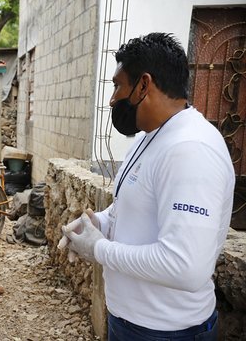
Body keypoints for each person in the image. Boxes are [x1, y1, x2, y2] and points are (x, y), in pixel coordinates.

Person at [58, 33, 235, 340]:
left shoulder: (190, 149)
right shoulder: (147, 138)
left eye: (117, 85)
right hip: (128, 322)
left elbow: (185, 267)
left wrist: (98, 248)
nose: (113, 98)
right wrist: (97, 223)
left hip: (168, 331)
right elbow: (130, 204)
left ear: (143, 85)